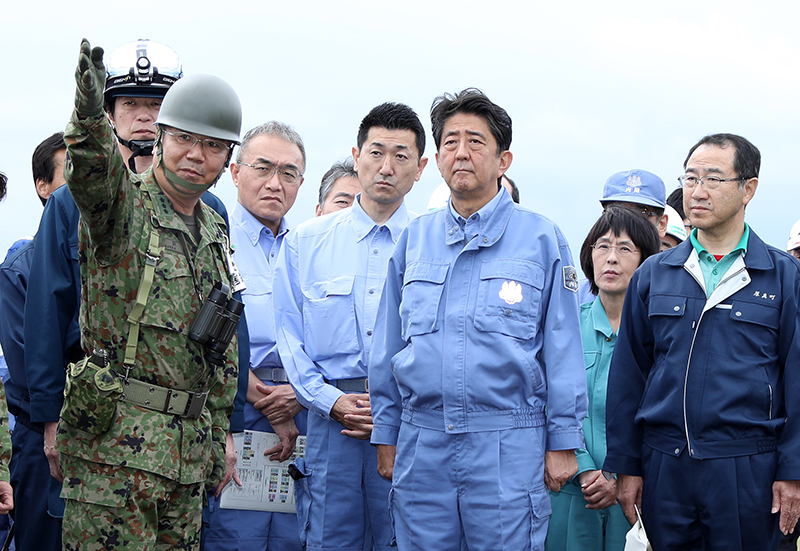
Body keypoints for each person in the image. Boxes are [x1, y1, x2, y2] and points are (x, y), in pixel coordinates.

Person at [24, 40, 247, 539]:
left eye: (213, 145)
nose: (197, 155)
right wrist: (87, 115)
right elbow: (94, 172)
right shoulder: (122, 209)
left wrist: (218, 432)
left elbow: (222, 342)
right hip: (115, 454)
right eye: (186, 138)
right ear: (163, 137)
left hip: (185, 458)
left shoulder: (213, 226)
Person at [369, 88, 587, 551]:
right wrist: (387, 430)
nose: (461, 153)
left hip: (507, 443)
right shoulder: (414, 239)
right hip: (422, 442)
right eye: (449, 142)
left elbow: (564, 346)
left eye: (475, 141)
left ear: (503, 159)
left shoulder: (542, 239)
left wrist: (563, 440)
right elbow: (387, 346)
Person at [604, 133, 800, 550]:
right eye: (691, 178)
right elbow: (628, 378)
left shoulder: (783, 278)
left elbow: (798, 380)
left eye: (713, 179)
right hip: (666, 468)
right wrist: (627, 466)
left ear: (749, 188)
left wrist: (793, 470)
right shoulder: (655, 274)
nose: (697, 191)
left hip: (748, 469)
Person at [274, 102, 428, 551]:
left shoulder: (433, 244)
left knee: (401, 538)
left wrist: (391, 408)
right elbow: (290, 336)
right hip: (330, 422)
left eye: (401, 156)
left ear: (419, 169)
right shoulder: (307, 241)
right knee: (327, 538)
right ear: (356, 155)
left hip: (406, 422)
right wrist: (332, 400)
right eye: (376, 152)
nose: (386, 167)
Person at [203, 121, 308, 551]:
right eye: (262, 168)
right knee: (234, 537)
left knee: (294, 536)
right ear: (235, 171)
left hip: (304, 408)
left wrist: (296, 396)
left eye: (288, 173)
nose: (274, 183)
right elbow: (205, 335)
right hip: (235, 409)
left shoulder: (308, 246)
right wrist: (266, 397)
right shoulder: (213, 237)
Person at [545, 206, 660, 551]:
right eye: (602, 246)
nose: (611, 258)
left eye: (625, 249)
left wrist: (619, 474)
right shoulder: (564, 327)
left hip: (634, 492)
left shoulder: (660, 334)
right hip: (571, 490)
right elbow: (547, 400)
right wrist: (583, 468)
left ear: (646, 261)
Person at [0, 132, 66, 551]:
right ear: (43, 187)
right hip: (45, 438)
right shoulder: (22, 267)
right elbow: (26, 370)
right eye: (73, 172)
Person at [577, 169, 667, 304]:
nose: (626, 221)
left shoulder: (673, 297)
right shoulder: (573, 299)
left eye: (641, 213)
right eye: (616, 210)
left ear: (662, 224)